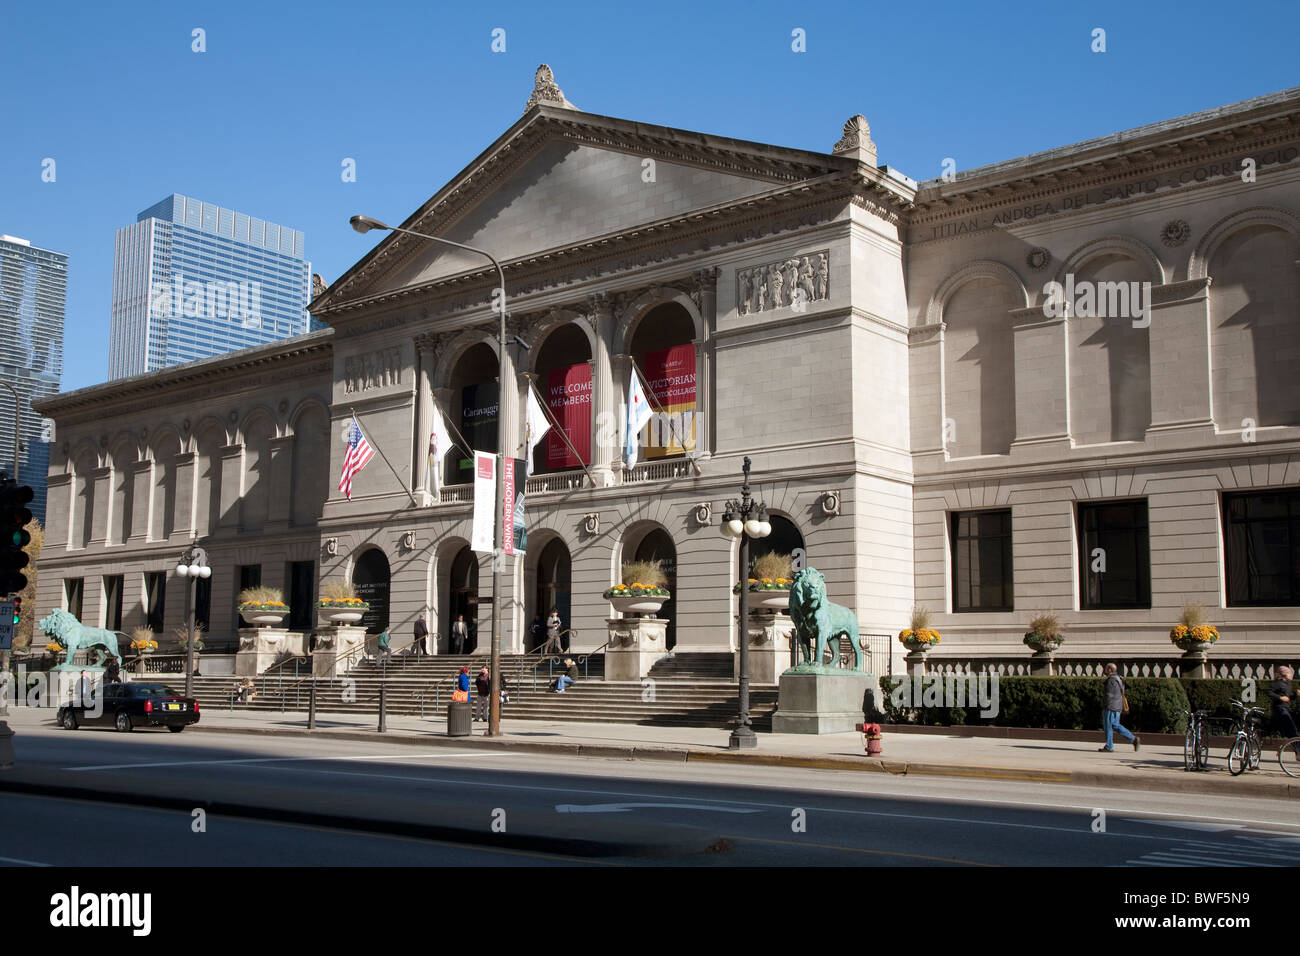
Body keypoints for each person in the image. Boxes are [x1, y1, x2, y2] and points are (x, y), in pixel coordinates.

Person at [1099, 662, 1139, 752]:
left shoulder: (1111, 680)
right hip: (1117, 706)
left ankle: (1109, 746)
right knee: (1115, 725)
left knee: (1108, 726)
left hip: (1110, 707)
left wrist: (1105, 705)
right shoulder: (1119, 678)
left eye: (1106, 668)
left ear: (1109, 670)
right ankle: (1133, 739)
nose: (1104, 670)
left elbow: (1109, 695)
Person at [1267, 665, 1299, 739]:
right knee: (1292, 729)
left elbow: (1288, 698)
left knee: (1286, 730)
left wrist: (1295, 695)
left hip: (1285, 708)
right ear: (1284, 674)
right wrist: (1280, 697)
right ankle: (1298, 747)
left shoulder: (1288, 684)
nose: (1291, 675)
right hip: (1279, 708)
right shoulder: (1277, 683)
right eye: (1289, 673)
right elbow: (1269, 692)